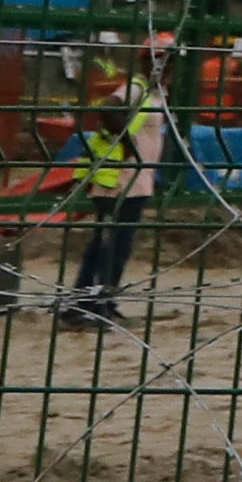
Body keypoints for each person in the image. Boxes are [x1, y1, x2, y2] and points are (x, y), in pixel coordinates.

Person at [51, 41, 163, 327]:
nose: (161, 65)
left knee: (113, 246)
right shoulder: (136, 87)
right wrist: (127, 144)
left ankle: (97, 302)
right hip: (119, 180)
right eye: (156, 58)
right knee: (109, 245)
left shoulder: (155, 92)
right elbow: (109, 108)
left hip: (136, 181)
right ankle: (87, 305)